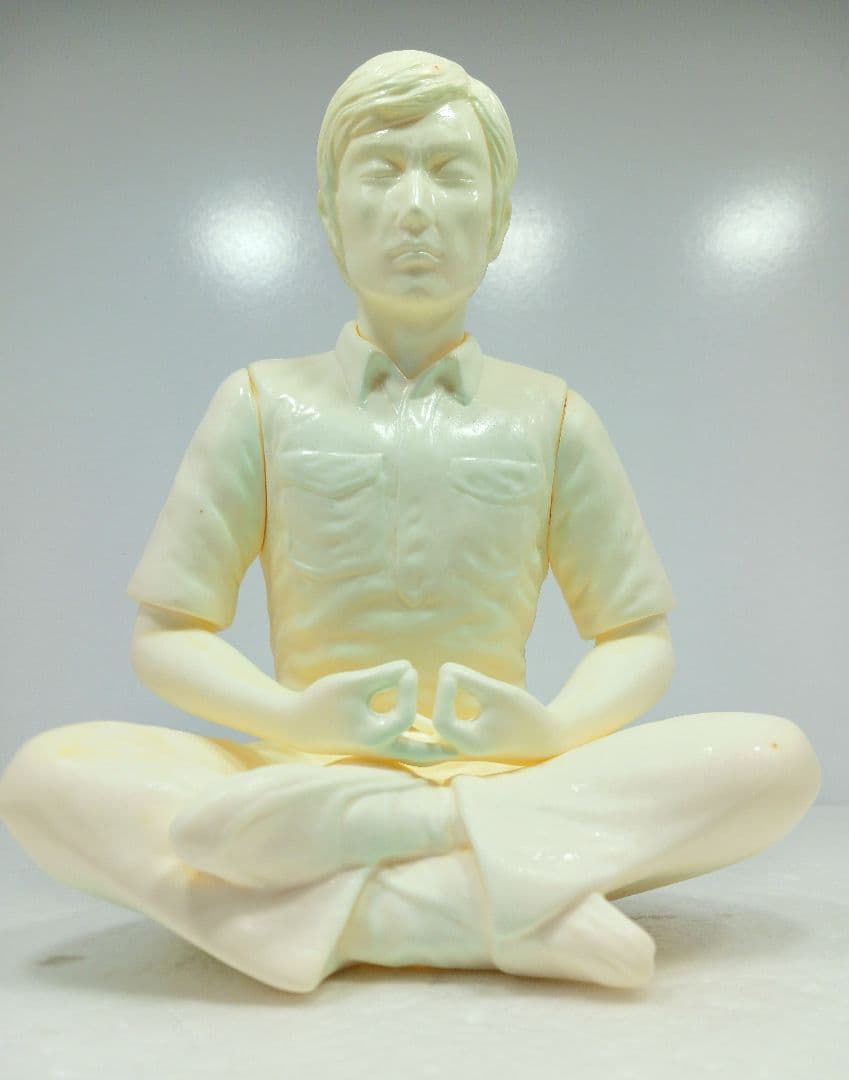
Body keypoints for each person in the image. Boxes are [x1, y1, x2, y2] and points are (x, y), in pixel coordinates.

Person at [0, 50, 820, 994]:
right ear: (328, 213)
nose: (416, 209)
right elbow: (169, 632)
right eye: (382, 173)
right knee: (47, 778)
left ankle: (328, 899)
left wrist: (549, 731)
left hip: (500, 778)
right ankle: (496, 905)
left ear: (499, 221)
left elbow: (635, 637)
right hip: (297, 772)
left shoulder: (551, 415)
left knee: (772, 760)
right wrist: (287, 718)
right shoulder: (260, 403)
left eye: (451, 174)